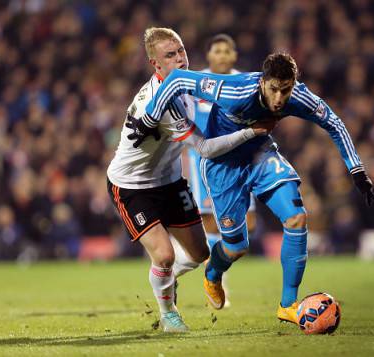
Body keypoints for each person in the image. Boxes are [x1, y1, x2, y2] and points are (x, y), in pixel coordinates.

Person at [127, 52, 374, 324]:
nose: (280, 98)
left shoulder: (297, 97)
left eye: (286, 90)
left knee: (297, 217)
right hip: (222, 166)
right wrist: (148, 120)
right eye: (274, 89)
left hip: (260, 155)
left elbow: (334, 123)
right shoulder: (233, 89)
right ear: (263, 82)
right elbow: (176, 80)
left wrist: (357, 170)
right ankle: (213, 273)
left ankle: (288, 305)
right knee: (236, 247)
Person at [106, 27, 274, 332]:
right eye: (170, 55)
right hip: (132, 185)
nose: (180, 59)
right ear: (156, 65)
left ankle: (165, 281)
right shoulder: (161, 102)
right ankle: (168, 313)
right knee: (165, 255)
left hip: (170, 181)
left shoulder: (185, 83)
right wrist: (253, 131)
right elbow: (206, 149)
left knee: (200, 254)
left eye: (181, 50)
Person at [185, 34, 256, 307]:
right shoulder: (197, 83)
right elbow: (184, 119)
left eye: (228, 50)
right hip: (206, 162)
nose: (223, 55)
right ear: (209, 55)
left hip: (240, 160)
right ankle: (216, 279)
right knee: (211, 221)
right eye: (218, 50)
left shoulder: (246, 81)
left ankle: (213, 268)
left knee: (248, 225)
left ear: (235, 56)